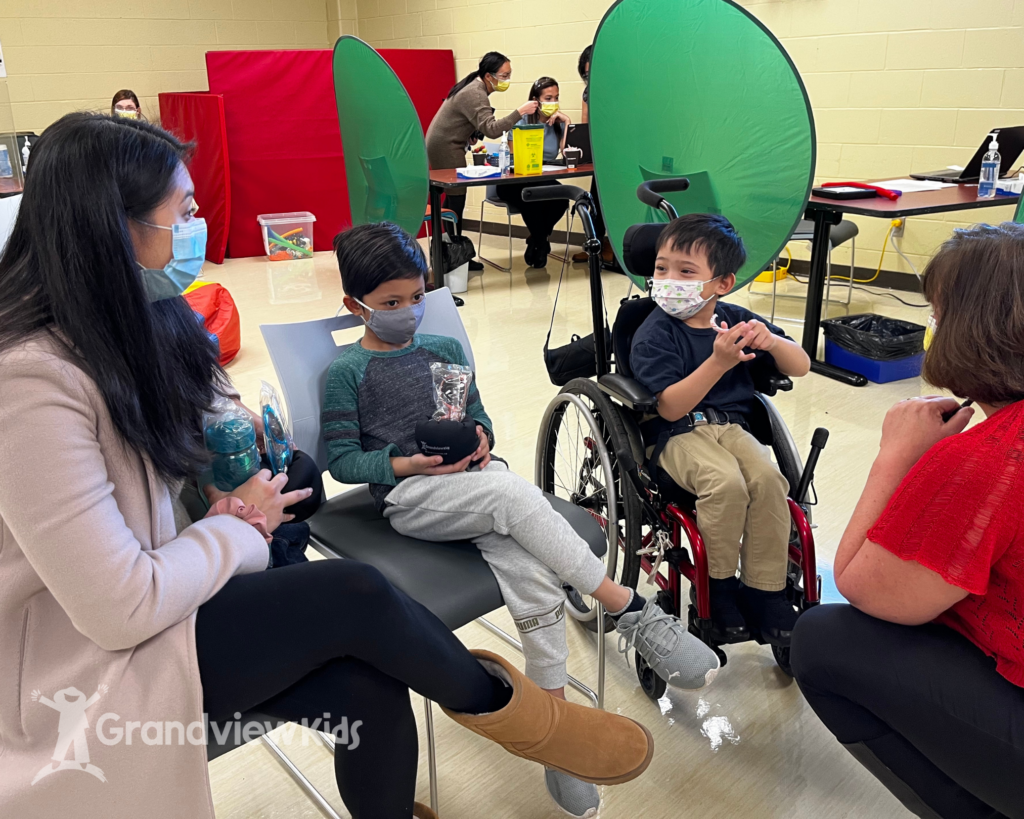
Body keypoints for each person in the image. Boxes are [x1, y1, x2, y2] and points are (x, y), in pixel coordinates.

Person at [0, 113, 656, 819]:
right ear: (110, 227)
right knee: (356, 596)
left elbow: (208, 424)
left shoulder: (141, 318)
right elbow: (117, 606)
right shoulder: (28, 381)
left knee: (366, 685)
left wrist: (246, 445)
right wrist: (240, 525)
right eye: (183, 214)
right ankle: (522, 719)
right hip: (98, 655)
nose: (197, 229)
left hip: (175, 594)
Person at [322, 220, 721, 819]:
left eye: (414, 297)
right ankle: (626, 607)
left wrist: (479, 441)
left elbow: (481, 418)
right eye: (389, 304)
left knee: (531, 575)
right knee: (512, 497)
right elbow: (343, 461)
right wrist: (408, 463)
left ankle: (556, 742)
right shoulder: (347, 373)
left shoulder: (446, 351)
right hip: (410, 499)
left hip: (476, 482)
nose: (407, 312)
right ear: (356, 307)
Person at [792, 223, 1024, 819]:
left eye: (937, 313)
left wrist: (894, 459)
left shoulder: (987, 461)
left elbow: (860, 583)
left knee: (821, 639)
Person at [630, 214, 811, 646]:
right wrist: (719, 362)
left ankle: (765, 590)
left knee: (769, 481)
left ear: (722, 283)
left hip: (732, 427)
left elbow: (800, 365)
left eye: (686, 271)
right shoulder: (654, 332)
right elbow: (670, 406)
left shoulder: (734, 318)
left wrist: (770, 342)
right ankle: (721, 586)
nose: (669, 279)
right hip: (676, 435)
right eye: (661, 268)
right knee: (724, 484)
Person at [426, 52, 538, 272]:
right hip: (445, 146)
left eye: (509, 74)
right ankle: (455, 257)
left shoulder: (474, 86)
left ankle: (453, 254)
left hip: (445, 141)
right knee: (456, 198)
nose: (506, 80)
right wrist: (520, 112)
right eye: (503, 75)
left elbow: (467, 121)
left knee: (453, 199)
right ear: (488, 75)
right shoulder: (476, 93)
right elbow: (493, 130)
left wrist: (470, 131)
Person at [495, 77, 572, 267]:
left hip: (542, 179)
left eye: (556, 97)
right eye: (548, 98)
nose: (553, 102)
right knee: (531, 198)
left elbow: (566, 152)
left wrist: (567, 123)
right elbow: (512, 156)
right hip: (513, 181)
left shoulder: (557, 124)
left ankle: (537, 239)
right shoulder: (521, 121)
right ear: (536, 101)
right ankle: (542, 243)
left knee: (562, 199)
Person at [572, 45, 613, 266]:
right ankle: (595, 246)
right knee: (595, 199)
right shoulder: (589, 92)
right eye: (586, 75)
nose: (590, 78)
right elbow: (585, 123)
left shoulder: (618, 88)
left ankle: (615, 249)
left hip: (618, 151)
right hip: (600, 153)